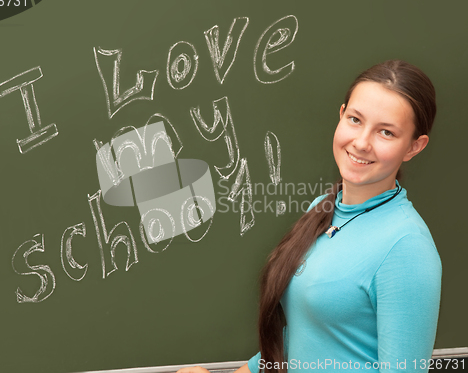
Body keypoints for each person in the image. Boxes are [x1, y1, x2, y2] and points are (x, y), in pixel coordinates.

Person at [177, 60, 441, 373]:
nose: (361, 142)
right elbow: (306, 337)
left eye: (386, 132)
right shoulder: (323, 208)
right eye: (355, 120)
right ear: (341, 115)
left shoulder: (406, 247)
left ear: (413, 146)